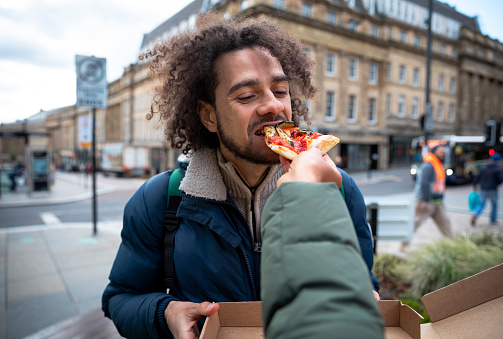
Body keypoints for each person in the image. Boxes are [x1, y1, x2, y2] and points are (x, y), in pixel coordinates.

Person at [102, 13, 378, 339]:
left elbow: (364, 288)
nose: (272, 106)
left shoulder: (337, 190)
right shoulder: (160, 199)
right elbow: (120, 298)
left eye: (281, 90)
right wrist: (167, 312)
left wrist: (368, 297)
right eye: (247, 96)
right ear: (208, 116)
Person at [262, 149, 384, 338]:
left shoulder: (340, 185)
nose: (268, 116)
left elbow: (362, 267)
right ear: (207, 118)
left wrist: (364, 290)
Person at [402, 145, 453, 250]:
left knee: (445, 223)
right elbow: (424, 183)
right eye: (440, 151)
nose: (443, 153)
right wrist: (426, 200)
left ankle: (453, 245)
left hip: (437, 201)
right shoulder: (429, 166)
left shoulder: (437, 165)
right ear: (434, 152)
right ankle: (403, 245)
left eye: (443, 151)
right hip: (425, 202)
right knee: (415, 223)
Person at [471, 152, 503, 226]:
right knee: (494, 205)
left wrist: (475, 186)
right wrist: (496, 184)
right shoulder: (498, 169)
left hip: (483, 189)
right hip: (493, 189)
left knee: (481, 204)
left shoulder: (484, 168)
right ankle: (493, 220)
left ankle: (475, 214)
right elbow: (501, 180)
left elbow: (477, 177)